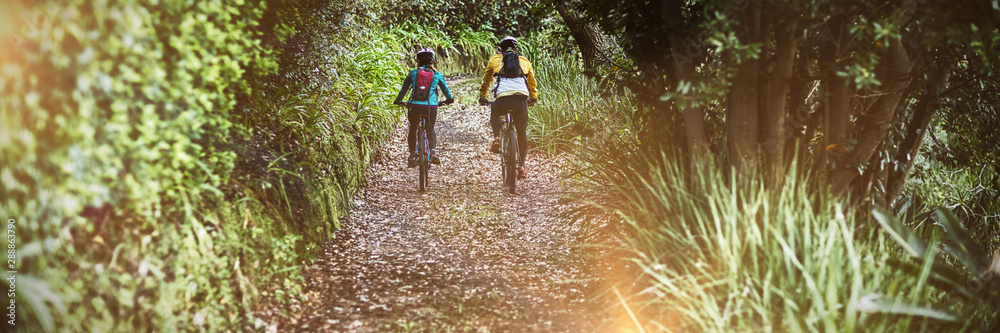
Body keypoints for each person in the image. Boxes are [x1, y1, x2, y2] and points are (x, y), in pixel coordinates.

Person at [478, 36, 538, 180]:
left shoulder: (495, 60)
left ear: (501, 49)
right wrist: (533, 97)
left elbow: (487, 80)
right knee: (521, 131)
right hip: (521, 100)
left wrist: (483, 96)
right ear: (516, 49)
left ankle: (497, 137)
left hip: (503, 99)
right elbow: (532, 83)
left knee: (495, 111)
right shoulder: (524, 61)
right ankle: (521, 166)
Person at [393, 48, 454, 167]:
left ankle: (411, 155)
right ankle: (433, 152)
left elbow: (404, 89)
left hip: (414, 106)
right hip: (431, 107)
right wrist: (449, 100)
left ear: (418, 61)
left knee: (413, 128)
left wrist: (398, 101)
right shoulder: (436, 74)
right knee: (430, 128)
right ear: (432, 61)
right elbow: (446, 90)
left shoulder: (413, 73)